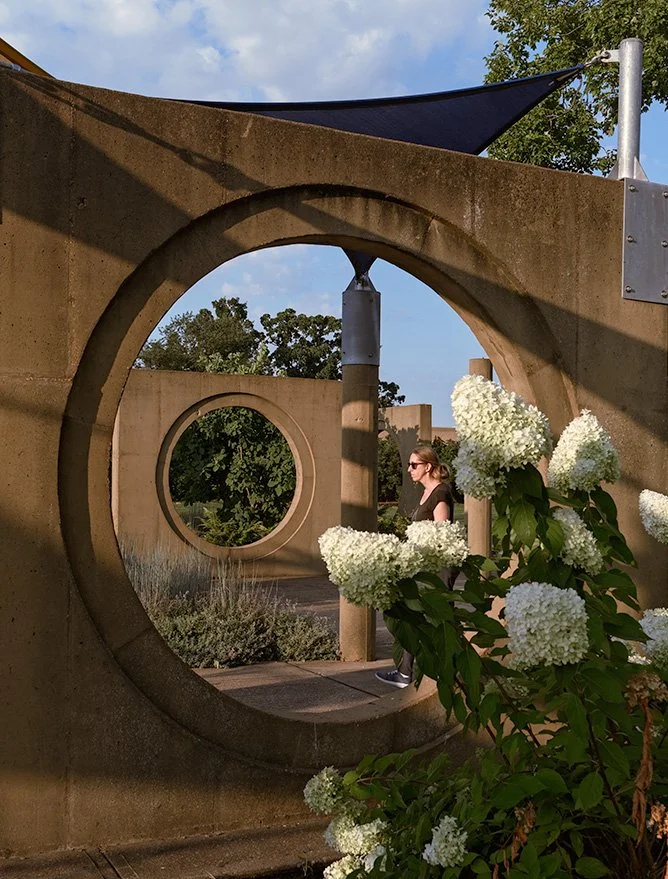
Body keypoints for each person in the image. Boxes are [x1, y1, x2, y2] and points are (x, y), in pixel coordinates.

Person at [375, 444, 456, 688]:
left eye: (413, 465)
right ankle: (406, 672)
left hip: (437, 566)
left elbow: (442, 534)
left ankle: (446, 673)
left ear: (427, 467)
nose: (409, 469)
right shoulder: (428, 491)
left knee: (440, 619)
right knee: (415, 615)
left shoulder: (440, 492)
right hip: (424, 565)